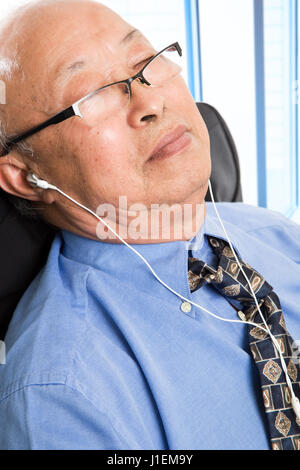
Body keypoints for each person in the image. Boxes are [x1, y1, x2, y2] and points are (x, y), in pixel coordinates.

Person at [0, 0, 299, 451]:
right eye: (92, 94)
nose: (151, 100)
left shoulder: (274, 232)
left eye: (147, 63)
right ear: (26, 176)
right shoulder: (64, 394)